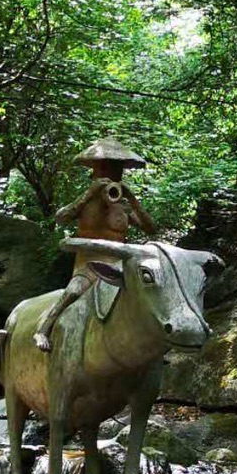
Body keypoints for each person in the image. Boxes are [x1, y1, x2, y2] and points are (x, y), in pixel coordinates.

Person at [34, 136, 155, 352]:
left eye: (116, 169)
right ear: (96, 171)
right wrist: (88, 194)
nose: (111, 174)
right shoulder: (86, 200)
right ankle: (43, 329)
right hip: (89, 263)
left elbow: (151, 229)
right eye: (105, 168)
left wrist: (133, 200)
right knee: (73, 292)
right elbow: (61, 218)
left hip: (118, 264)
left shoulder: (123, 206)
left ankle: (149, 342)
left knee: (144, 293)